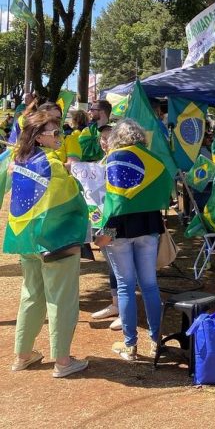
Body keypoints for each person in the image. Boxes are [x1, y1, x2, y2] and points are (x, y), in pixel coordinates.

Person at [4, 111, 89, 377]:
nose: (60, 137)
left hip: (25, 240)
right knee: (61, 299)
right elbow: (74, 199)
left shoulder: (17, 161)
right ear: (39, 136)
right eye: (55, 133)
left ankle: (22, 355)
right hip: (55, 240)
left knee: (31, 296)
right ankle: (63, 362)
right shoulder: (52, 165)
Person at [94, 120, 166, 361]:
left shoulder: (114, 159)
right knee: (150, 285)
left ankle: (130, 345)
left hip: (119, 232)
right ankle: (157, 341)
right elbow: (165, 194)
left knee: (125, 286)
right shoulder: (154, 160)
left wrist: (106, 234)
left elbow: (116, 203)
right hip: (149, 227)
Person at [91, 124, 123, 331]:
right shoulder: (101, 162)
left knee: (120, 265)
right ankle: (116, 305)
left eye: (108, 137)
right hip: (100, 222)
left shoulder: (120, 161)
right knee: (111, 263)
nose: (104, 141)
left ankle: (124, 309)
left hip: (116, 224)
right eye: (102, 138)